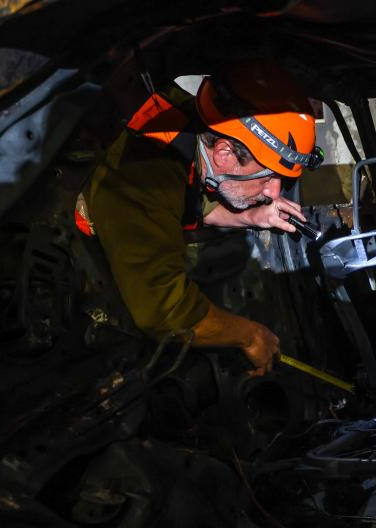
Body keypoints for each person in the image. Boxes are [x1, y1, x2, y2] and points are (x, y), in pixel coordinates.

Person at [76, 61, 322, 377]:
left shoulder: (197, 122)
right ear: (224, 153)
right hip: (78, 284)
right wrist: (249, 336)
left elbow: (191, 200)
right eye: (266, 178)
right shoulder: (143, 178)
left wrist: (251, 215)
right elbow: (165, 312)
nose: (274, 193)